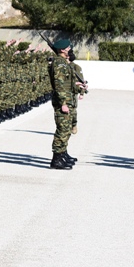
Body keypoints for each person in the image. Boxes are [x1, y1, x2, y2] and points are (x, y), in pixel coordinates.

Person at [47, 39, 78, 170]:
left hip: (68, 99)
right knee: (62, 130)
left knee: (66, 129)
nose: (69, 48)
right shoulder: (59, 64)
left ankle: (62, 154)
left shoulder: (63, 62)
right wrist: (63, 103)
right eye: (67, 47)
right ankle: (56, 159)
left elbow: (67, 83)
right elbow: (59, 85)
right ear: (62, 50)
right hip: (63, 102)